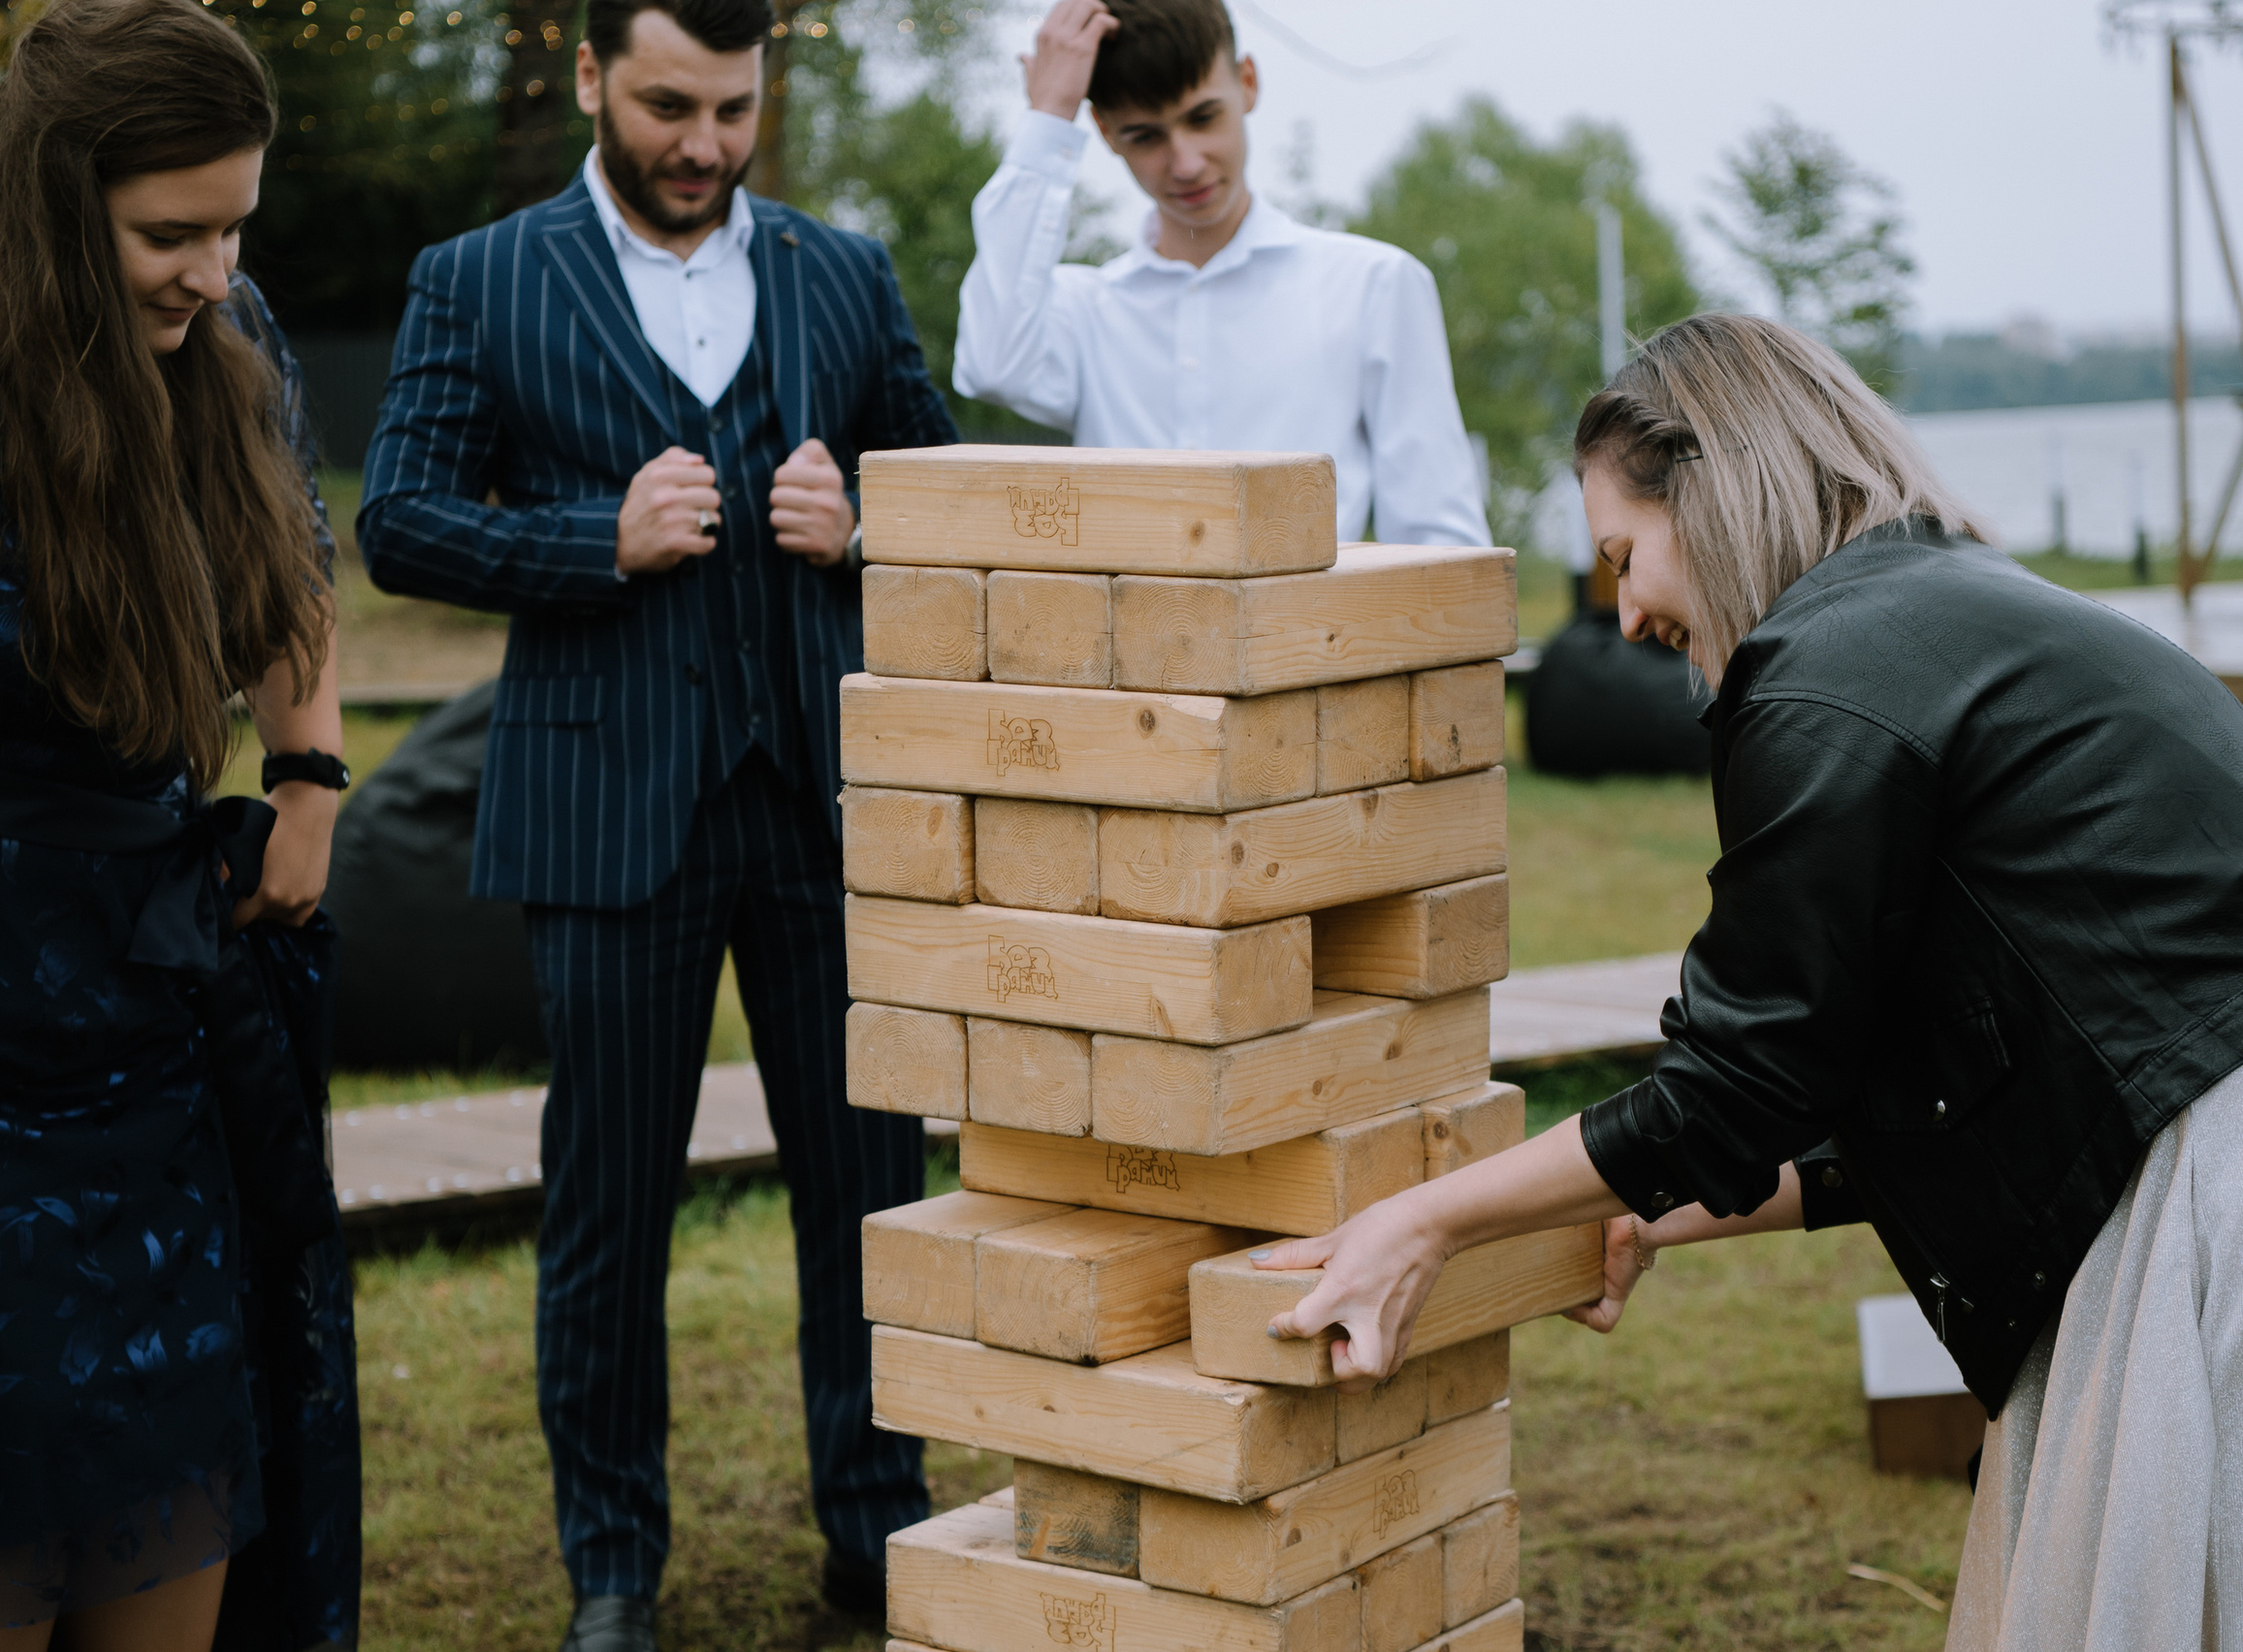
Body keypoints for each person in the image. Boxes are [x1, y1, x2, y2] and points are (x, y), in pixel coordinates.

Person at [1253, 311, 2243, 1647]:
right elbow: (1883, 1081)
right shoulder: (1940, 612)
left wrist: (1420, 1222)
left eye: (1626, 554)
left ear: (1711, 490)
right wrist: (1654, 1212)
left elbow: (1734, 1082)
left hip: (2200, 1190)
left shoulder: (1828, 674)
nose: (1628, 612)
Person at [356, 1, 957, 1645]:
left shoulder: (843, 271)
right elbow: (397, 517)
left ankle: (877, 1517)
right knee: (609, 1207)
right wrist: (587, 538)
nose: (702, 142)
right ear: (588, 81)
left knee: (872, 1189)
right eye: (669, 104)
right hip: (604, 810)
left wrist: (867, 525)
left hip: (825, 808)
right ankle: (613, 1565)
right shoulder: (477, 278)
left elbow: (948, 485)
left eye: (734, 108)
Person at [0, 0, 360, 1646]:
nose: (214, 269)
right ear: (48, 201)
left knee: (166, 1522)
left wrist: (308, 774)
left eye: (236, 222)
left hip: (145, 1032)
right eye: (170, 231)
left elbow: (287, 567)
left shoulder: (225, 347)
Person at [953, 0, 1487, 549]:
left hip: (1310, 633)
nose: (1184, 163)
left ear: (1248, 83)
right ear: (1107, 133)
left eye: (1202, 117)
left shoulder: (1374, 284)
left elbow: (1438, 537)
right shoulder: (1084, 307)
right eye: (1146, 136)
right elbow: (991, 366)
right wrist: (1047, 119)